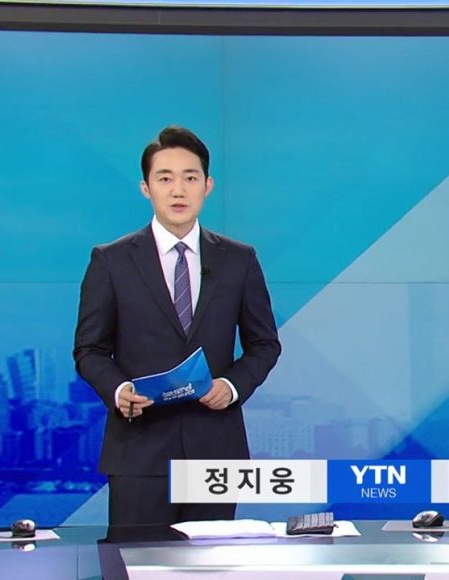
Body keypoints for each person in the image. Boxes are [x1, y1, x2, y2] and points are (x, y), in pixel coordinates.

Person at [74, 125, 281, 526]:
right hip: (138, 449)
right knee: (136, 558)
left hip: (215, 454)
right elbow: (89, 350)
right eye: (165, 179)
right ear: (146, 188)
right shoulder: (111, 261)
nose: (178, 190)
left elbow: (264, 344)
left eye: (190, 178)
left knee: (210, 560)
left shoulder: (239, 260)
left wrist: (232, 386)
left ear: (207, 185)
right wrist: (119, 391)